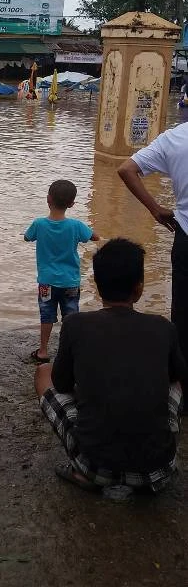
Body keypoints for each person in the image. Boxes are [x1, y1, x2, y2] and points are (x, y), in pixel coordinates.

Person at [34, 239, 185, 494]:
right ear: (139, 288)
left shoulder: (75, 325)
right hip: (157, 469)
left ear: (97, 285)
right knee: (176, 381)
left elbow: (61, 383)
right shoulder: (163, 326)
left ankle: (82, 473)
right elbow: (177, 377)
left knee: (43, 372)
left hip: (95, 467)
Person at [118, 122, 188, 393]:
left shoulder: (174, 138)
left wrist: (155, 209)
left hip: (185, 238)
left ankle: (182, 391)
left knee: (183, 315)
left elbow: (126, 169)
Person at [24, 179, 99, 363]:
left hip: (46, 282)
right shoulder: (76, 225)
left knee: (46, 315)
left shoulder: (39, 224)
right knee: (71, 317)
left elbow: (27, 237)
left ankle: (43, 351)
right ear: (72, 204)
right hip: (70, 281)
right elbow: (95, 237)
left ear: (48, 199)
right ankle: (69, 351)